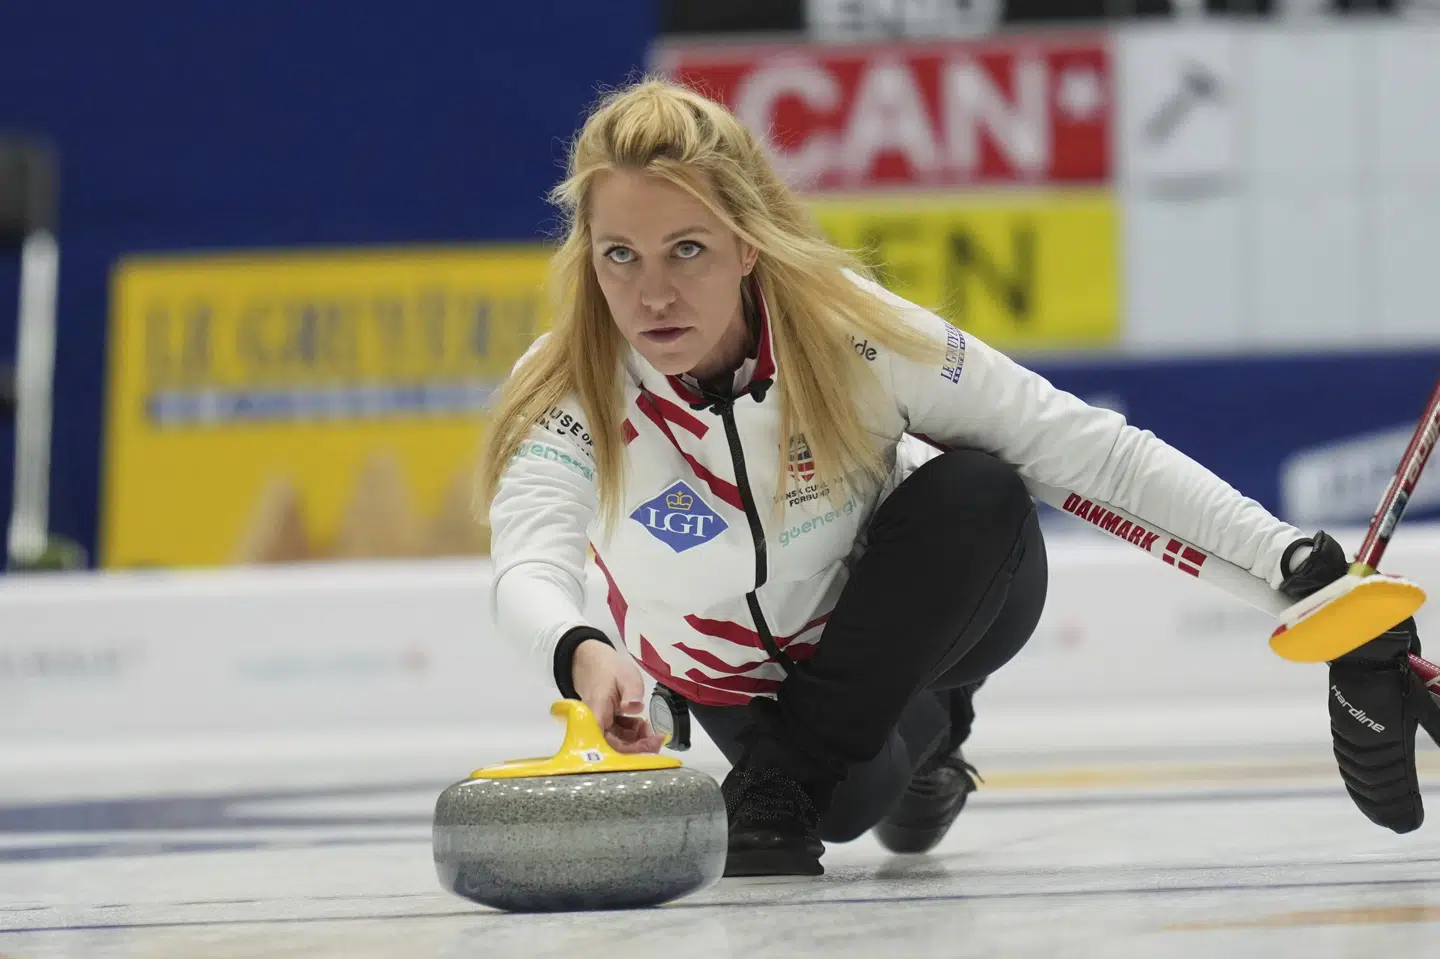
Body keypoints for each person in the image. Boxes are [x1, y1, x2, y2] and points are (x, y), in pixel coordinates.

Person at [476, 77, 1429, 877]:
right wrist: (580, 652)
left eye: (687, 249)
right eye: (619, 257)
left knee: (977, 491)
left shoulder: (850, 331)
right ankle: (920, 741)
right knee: (846, 808)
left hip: (914, 616)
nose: (651, 293)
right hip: (731, 683)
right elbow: (530, 560)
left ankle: (820, 761)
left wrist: (1307, 576)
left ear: (747, 241)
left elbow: (1083, 450)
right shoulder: (570, 385)